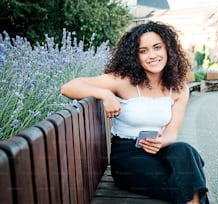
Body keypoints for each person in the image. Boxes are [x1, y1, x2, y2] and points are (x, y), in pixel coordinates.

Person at [61, 21, 209, 204]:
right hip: (128, 157)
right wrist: (105, 94)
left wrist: (162, 141)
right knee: (187, 179)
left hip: (158, 150)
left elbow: (172, 132)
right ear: (135, 56)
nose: (152, 55)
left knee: (185, 150)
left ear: (168, 50)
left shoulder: (179, 89)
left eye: (157, 47)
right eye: (143, 50)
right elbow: (69, 87)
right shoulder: (122, 80)